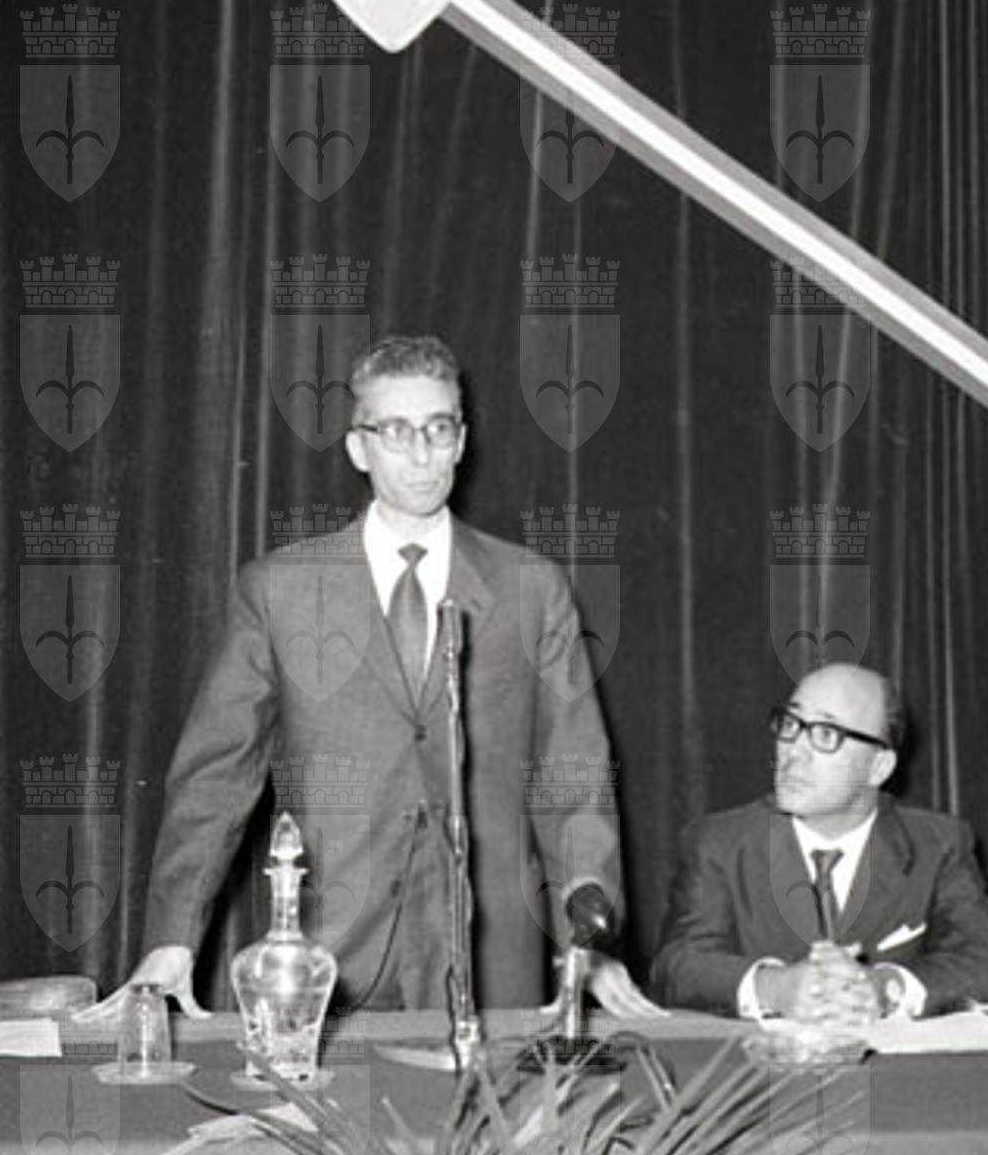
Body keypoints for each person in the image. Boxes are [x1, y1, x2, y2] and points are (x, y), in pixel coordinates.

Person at [111, 335, 657, 1020]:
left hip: (489, 967)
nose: (421, 453)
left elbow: (572, 774)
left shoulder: (532, 590)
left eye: (438, 428)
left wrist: (589, 924)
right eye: (396, 431)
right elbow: (215, 778)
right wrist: (172, 939)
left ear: (462, 441)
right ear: (357, 448)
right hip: (327, 964)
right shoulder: (279, 591)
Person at [651, 662, 988, 1021]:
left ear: (878, 767)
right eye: (791, 725)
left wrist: (885, 988)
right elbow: (674, 969)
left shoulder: (937, 844)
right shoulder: (720, 844)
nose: (793, 752)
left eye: (826, 734)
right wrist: (773, 987)